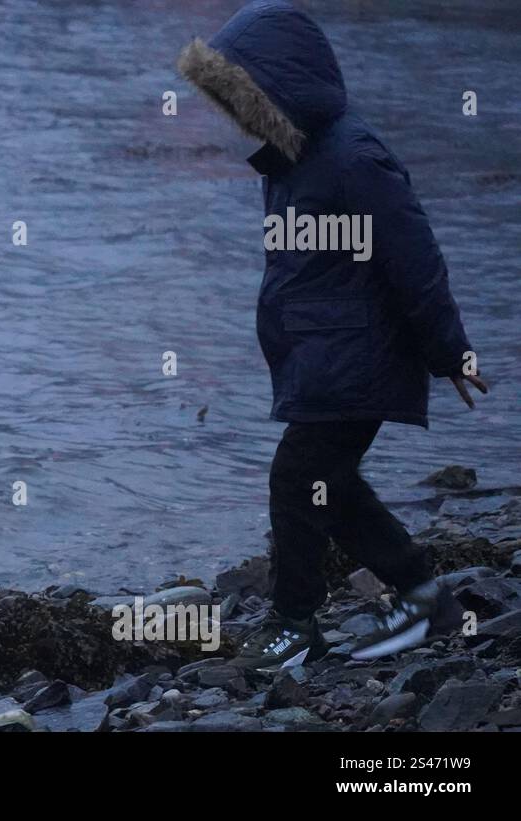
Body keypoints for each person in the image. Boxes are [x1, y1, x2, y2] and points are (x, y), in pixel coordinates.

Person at [178, 0, 487, 670]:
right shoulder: (294, 159)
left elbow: (414, 257)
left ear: (287, 84)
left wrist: (450, 350)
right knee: (330, 482)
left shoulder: (353, 157)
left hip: (359, 358)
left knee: (297, 478)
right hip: (325, 358)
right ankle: (425, 597)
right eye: (234, 100)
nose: (241, 114)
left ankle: (295, 622)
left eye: (249, 96)